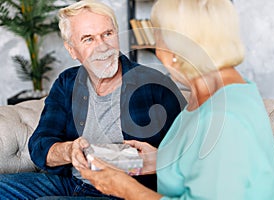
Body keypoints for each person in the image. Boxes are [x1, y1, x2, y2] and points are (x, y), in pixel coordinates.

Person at [79, 0, 274, 199]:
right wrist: (160, 160)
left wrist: (125, 189)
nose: (158, 52)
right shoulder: (215, 92)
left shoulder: (225, 118)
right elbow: (214, 165)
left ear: (175, 50)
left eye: (157, 37)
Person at [0, 0, 186, 199]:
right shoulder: (66, 83)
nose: (102, 47)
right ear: (72, 50)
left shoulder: (155, 85)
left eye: (107, 34)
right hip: (71, 181)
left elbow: (188, 152)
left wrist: (155, 159)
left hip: (123, 191)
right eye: (88, 39)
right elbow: (40, 144)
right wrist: (68, 150)